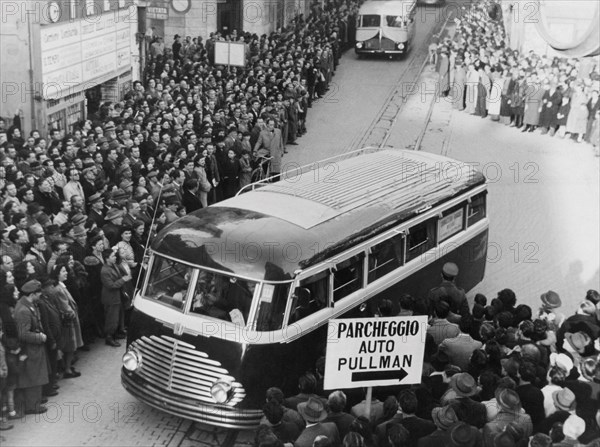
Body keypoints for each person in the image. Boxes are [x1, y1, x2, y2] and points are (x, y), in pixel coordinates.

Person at [13, 280, 49, 415]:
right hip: (30, 348)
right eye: (38, 294)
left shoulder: (28, 305)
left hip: (33, 348)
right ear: (32, 294)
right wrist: (39, 337)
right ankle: (32, 406)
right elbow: (23, 334)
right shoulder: (23, 310)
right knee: (33, 376)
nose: (40, 296)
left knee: (36, 375)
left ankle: (35, 402)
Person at [100, 248, 131, 347]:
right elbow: (111, 286)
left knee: (117, 317)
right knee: (111, 319)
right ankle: (109, 337)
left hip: (117, 296)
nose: (115, 257)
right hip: (111, 298)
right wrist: (123, 280)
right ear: (106, 259)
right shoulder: (104, 271)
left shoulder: (113, 265)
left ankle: (116, 333)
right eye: (112, 256)